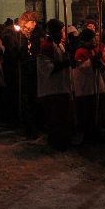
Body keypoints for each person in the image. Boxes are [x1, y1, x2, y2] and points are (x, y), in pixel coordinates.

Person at [36, 19, 72, 149]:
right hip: (51, 90)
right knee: (55, 119)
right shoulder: (46, 47)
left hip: (62, 87)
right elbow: (47, 68)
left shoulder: (60, 45)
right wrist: (65, 63)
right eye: (62, 30)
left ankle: (63, 140)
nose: (63, 33)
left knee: (63, 118)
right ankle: (56, 142)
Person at [73, 28, 105, 142]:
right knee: (87, 112)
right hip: (86, 86)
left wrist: (100, 64)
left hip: (95, 85)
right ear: (87, 40)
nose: (94, 42)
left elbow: (100, 66)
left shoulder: (93, 50)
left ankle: (96, 129)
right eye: (92, 40)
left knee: (96, 110)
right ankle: (87, 133)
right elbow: (82, 68)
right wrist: (92, 61)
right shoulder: (80, 51)